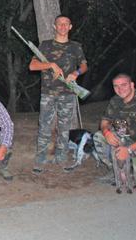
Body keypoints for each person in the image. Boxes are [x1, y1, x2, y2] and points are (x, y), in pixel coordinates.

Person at [29, 15, 88, 173]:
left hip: (68, 93)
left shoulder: (75, 46)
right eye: (59, 24)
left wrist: (75, 73)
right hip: (48, 93)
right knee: (45, 126)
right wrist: (51, 65)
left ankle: (61, 158)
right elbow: (33, 66)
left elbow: (84, 66)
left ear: (70, 27)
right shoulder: (46, 45)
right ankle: (40, 159)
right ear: (54, 26)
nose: (62, 26)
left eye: (65, 24)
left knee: (64, 128)